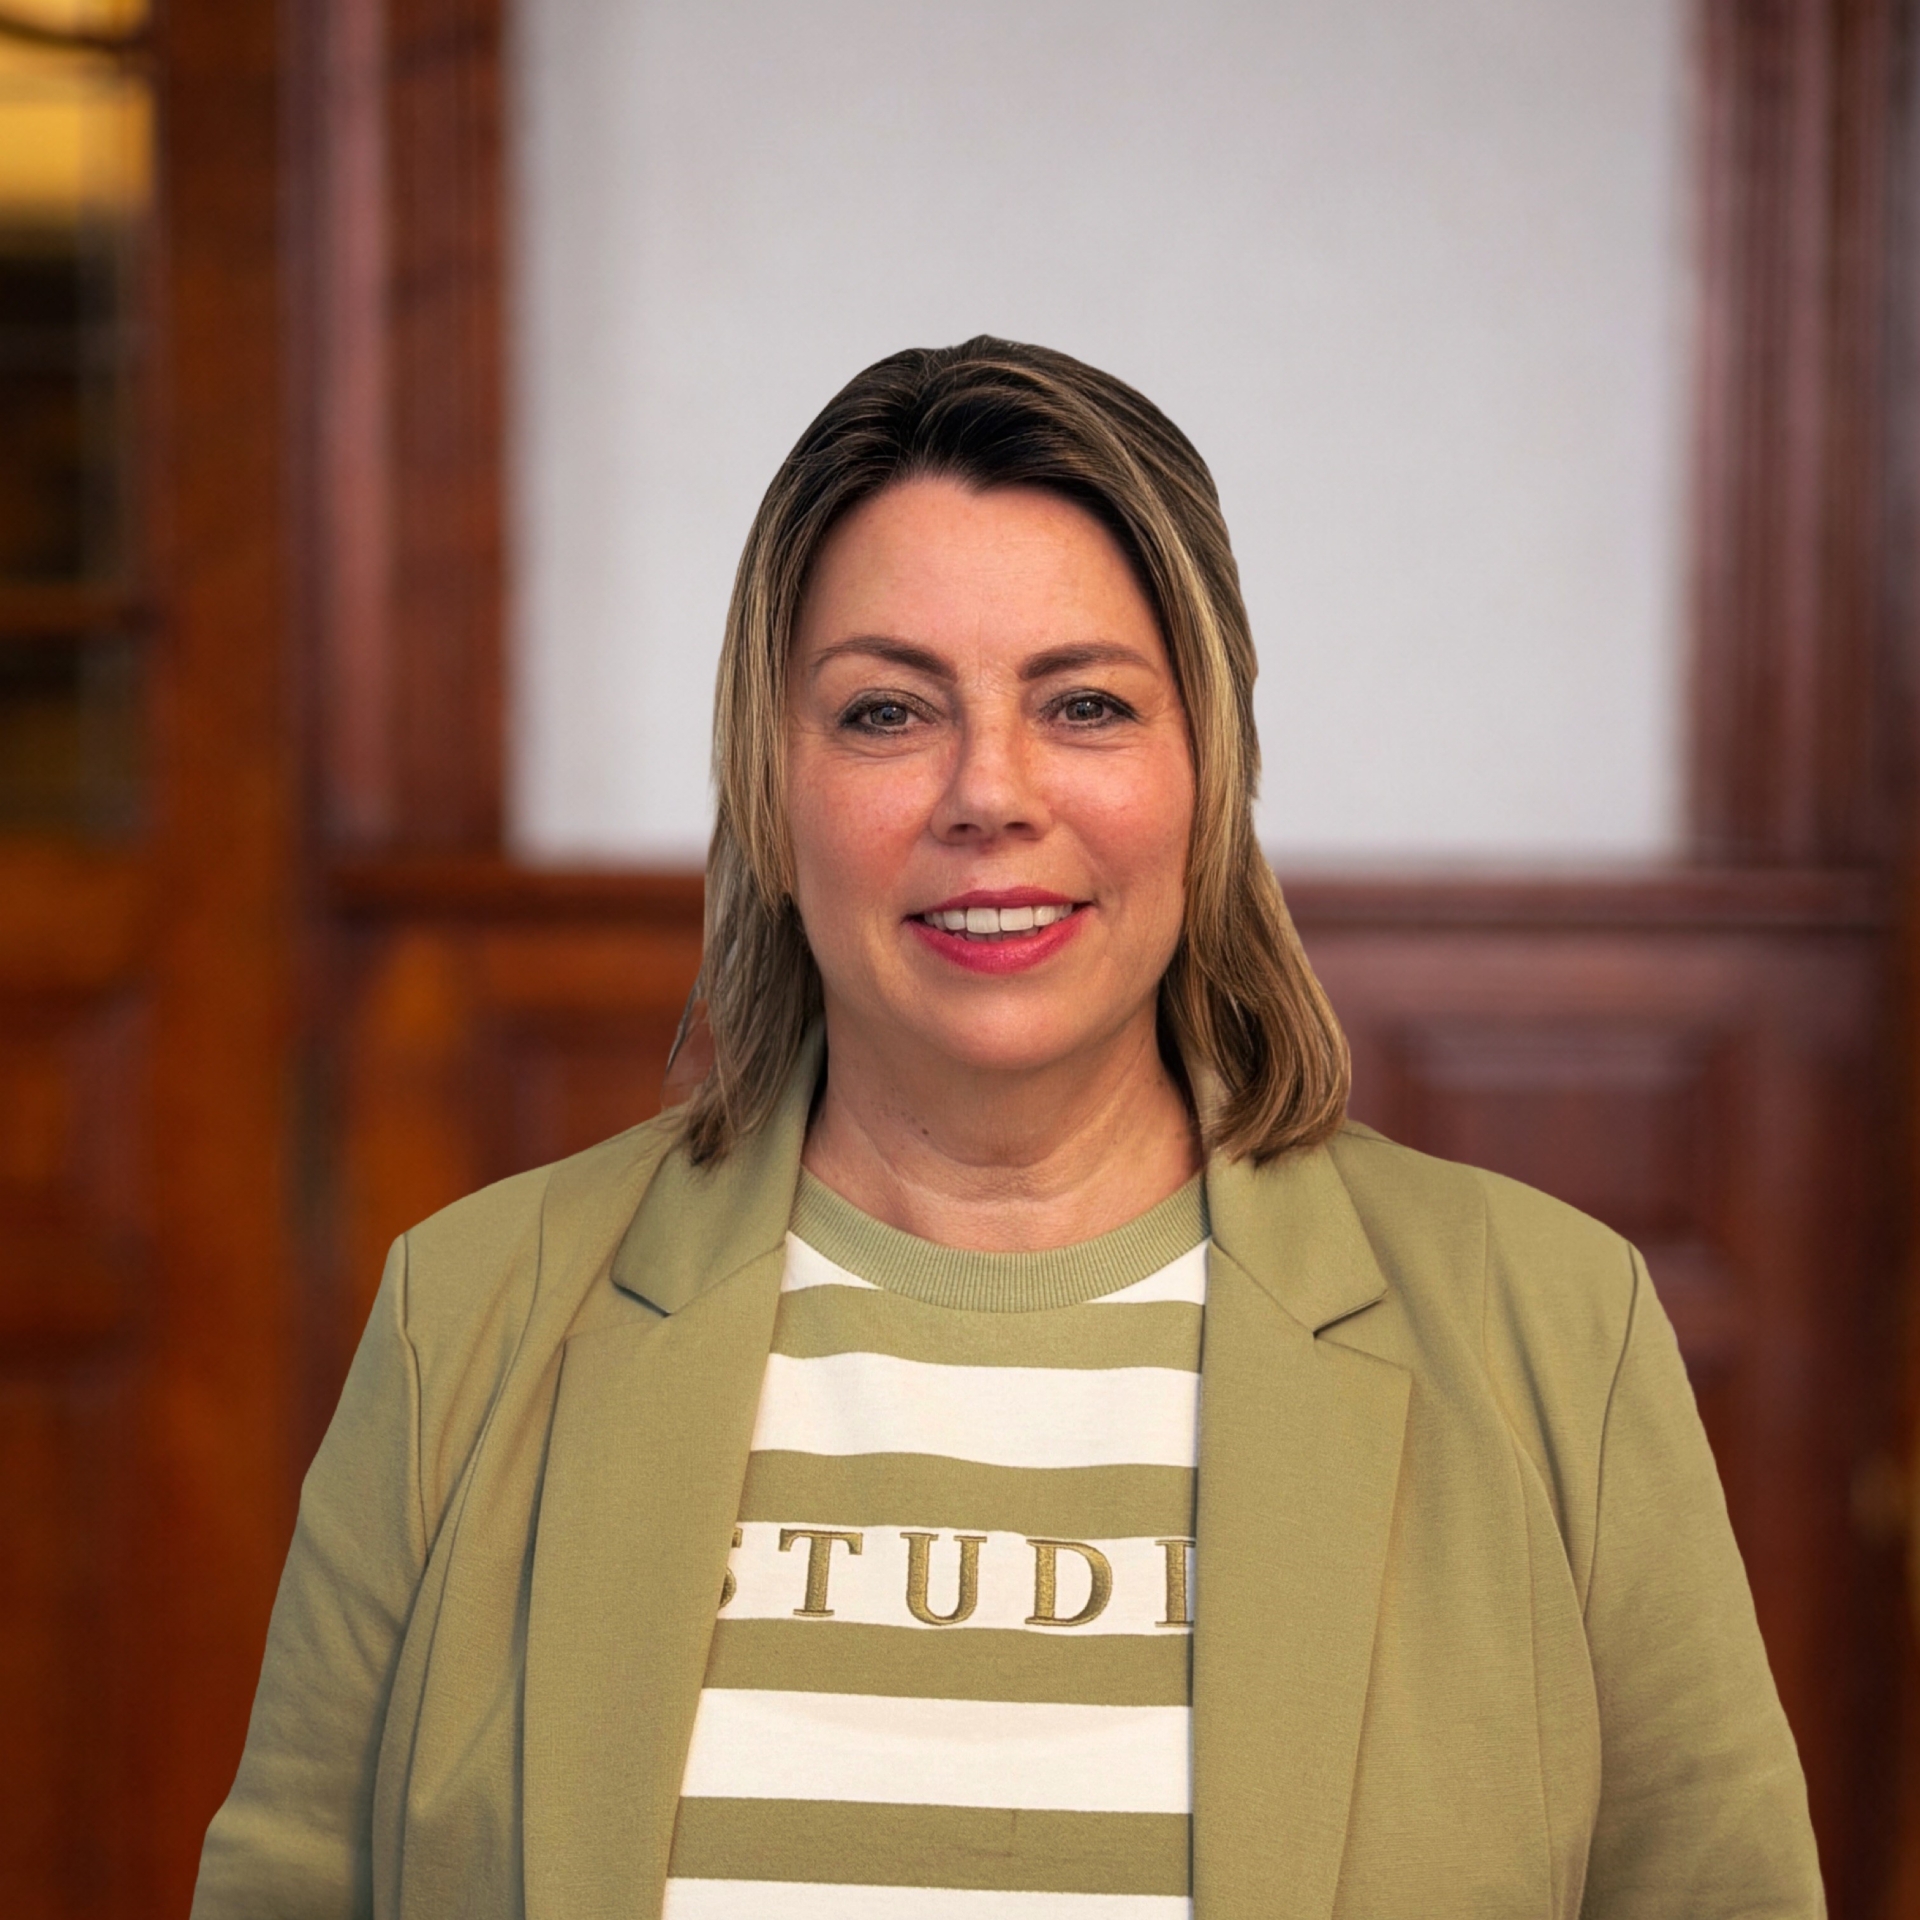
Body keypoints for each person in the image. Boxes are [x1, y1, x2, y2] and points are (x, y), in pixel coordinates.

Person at [191, 338, 1822, 1919]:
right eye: (886, 713)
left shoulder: (1556, 1335)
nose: (991, 792)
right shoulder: (469, 1317)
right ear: (771, 785)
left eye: (1087, 705)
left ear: (1211, 771)